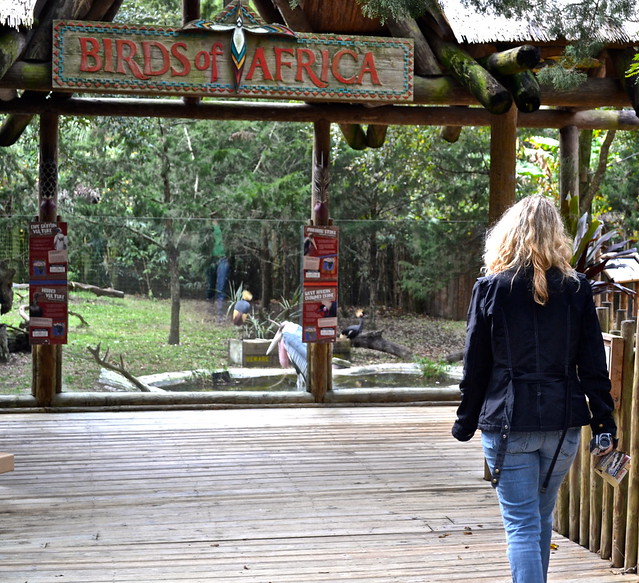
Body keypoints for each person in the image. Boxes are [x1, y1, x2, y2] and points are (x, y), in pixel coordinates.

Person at [451, 195, 616, 583]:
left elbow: (475, 366)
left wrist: (465, 421)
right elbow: (594, 365)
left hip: (508, 424)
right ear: (557, 236)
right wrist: (604, 423)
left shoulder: (491, 288)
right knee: (540, 519)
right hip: (563, 429)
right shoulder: (577, 290)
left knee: (523, 525)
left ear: (507, 236)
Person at [206, 219, 229, 321]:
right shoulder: (207, 227)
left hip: (223, 258)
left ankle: (220, 313)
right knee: (210, 284)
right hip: (211, 259)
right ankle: (210, 310)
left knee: (221, 285)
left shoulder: (226, 226)